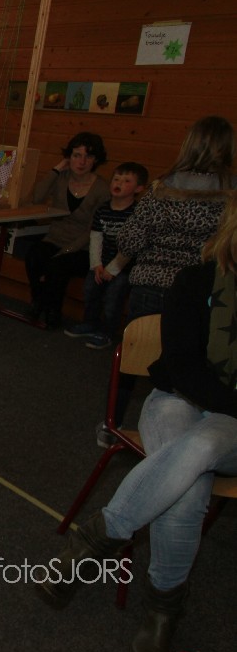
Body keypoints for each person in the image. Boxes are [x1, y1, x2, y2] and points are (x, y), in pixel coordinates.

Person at [36, 195, 237, 652]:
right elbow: (182, 368)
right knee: (188, 490)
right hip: (177, 399)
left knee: (201, 446)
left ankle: (92, 543)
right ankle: (164, 609)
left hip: (232, 424)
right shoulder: (196, 280)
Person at [100, 116, 236, 435]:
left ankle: (111, 425)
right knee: (197, 364)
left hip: (152, 287)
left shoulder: (162, 189)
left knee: (132, 361)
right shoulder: (231, 195)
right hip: (206, 294)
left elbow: (129, 241)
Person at [24, 132, 111, 329]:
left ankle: (53, 311)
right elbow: (36, 198)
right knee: (34, 256)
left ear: (96, 160)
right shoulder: (61, 178)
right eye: (76, 155)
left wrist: (66, 251)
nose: (82, 162)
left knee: (57, 266)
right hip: (54, 239)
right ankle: (38, 300)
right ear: (69, 157)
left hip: (83, 247)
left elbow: (93, 230)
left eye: (88, 156)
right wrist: (56, 169)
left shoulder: (101, 189)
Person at [63, 162, 148, 350]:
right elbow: (96, 238)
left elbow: (131, 247)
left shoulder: (137, 213)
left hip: (124, 268)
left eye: (126, 181)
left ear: (139, 188)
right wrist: (96, 264)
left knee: (113, 296)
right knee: (90, 289)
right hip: (102, 264)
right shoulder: (103, 209)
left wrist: (113, 269)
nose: (119, 183)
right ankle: (90, 322)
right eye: (116, 179)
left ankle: (107, 331)